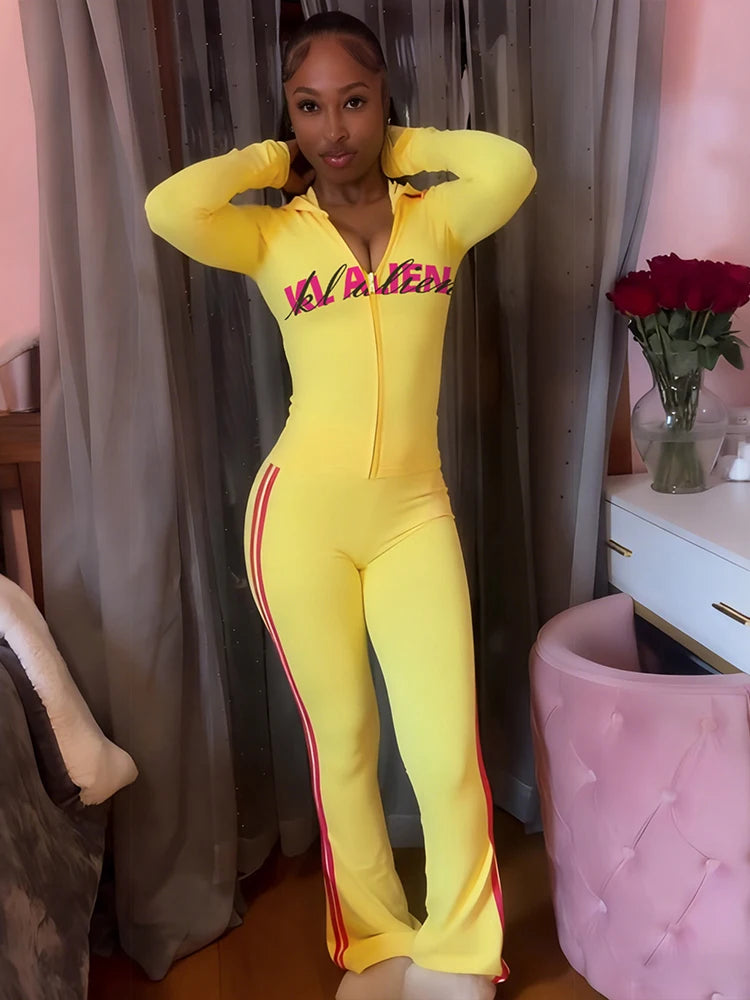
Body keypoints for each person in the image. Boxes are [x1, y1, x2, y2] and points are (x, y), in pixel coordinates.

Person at [144, 11, 537, 1000]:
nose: (334, 128)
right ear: (288, 113)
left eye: (354, 101)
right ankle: (375, 943)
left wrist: (406, 145)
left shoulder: (437, 217)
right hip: (298, 522)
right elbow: (168, 207)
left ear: (384, 100)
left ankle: (459, 949)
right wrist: (270, 156)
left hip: (414, 515)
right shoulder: (270, 232)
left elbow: (512, 168)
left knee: (443, 749)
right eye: (309, 106)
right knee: (346, 742)